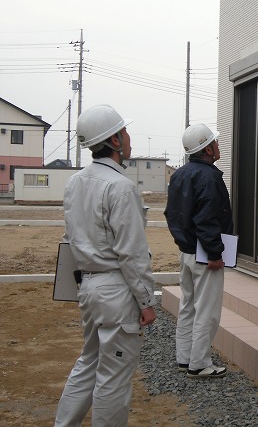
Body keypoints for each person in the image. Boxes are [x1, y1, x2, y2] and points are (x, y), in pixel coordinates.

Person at [54, 104, 157, 427]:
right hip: (116, 289)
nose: (129, 138)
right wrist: (146, 301)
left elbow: (70, 239)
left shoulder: (75, 182)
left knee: (88, 362)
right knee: (114, 376)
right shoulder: (121, 187)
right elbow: (132, 253)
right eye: (125, 132)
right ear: (114, 140)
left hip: (89, 286)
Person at [164, 123, 233, 379]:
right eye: (215, 142)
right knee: (207, 311)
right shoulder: (209, 177)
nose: (218, 145)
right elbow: (207, 218)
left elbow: (172, 214)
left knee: (188, 306)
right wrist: (215, 253)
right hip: (205, 254)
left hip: (186, 251)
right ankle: (200, 364)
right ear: (207, 148)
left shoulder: (179, 175)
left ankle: (185, 358)